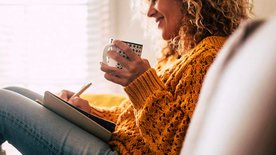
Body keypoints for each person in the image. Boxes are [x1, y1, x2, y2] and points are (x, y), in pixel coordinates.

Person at [0, 0, 250, 154]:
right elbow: (132, 123)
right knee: (14, 90)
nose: (150, 11)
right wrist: (88, 112)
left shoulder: (209, 56)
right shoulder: (178, 54)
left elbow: (182, 146)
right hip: (119, 144)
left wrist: (141, 84)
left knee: (2, 104)